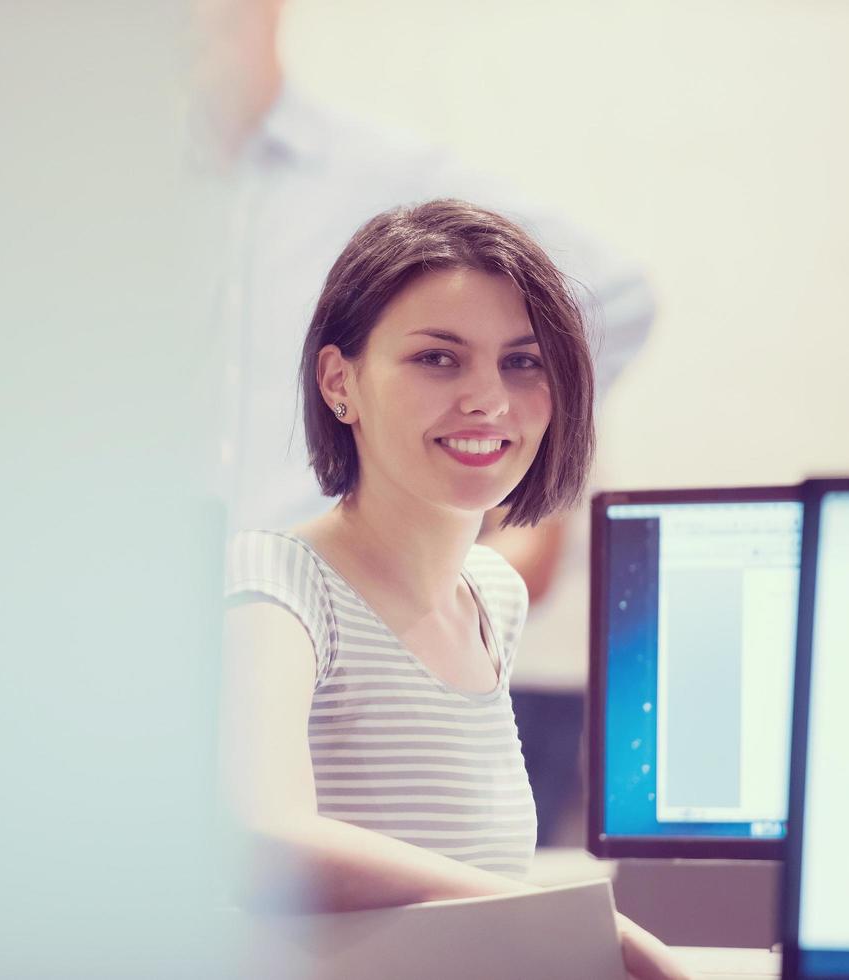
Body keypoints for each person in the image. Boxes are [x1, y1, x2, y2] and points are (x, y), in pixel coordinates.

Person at [221, 200, 689, 980]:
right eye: (438, 358)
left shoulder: (492, 597)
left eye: (523, 361)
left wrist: (547, 917)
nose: (488, 399)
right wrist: (581, 924)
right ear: (340, 383)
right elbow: (261, 833)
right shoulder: (276, 581)